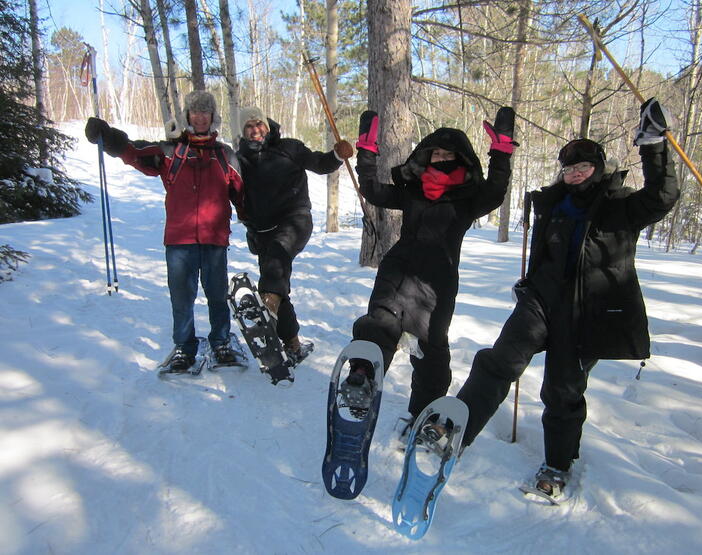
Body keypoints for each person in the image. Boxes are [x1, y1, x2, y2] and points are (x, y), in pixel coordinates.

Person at [455, 98, 679, 498]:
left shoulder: (620, 206)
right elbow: (545, 253)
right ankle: (454, 430)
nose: (575, 174)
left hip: (587, 314)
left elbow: (662, 196)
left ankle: (557, 464)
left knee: (562, 390)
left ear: (598, 169)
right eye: (569, 168)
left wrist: (653, 145)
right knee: (500, 361)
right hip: (540, 302)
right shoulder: (553, 204)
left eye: (583, 167)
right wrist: (528, 283)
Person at [341, 107, 516, 427]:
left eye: (448, 153)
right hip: (398, 268)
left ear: (462, 158)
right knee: (380, 322)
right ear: (425, 155)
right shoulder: (413, 189)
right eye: (435, 152)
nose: (440, 157)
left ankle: (425, 413)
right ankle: (362, 379)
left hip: (438, 279)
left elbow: (495, 191)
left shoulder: (469, 198)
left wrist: (501, 151)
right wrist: (366, 150)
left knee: (431, 350)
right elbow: (373, 190)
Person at [85, 90, 245, 371]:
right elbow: (134, 153)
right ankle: (184, 347)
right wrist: (108, 136)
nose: (200, 117)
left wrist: (263, 226)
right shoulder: (171, 152)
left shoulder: (225, 155)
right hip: (179, 239)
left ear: (212, 117)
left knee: (217, 294)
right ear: (187, 117)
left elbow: (244, 196)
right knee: (182, 296)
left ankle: (220, 341)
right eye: (194, 112)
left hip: (214, 239)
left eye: (205, 112)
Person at [235, 106, 353, 361]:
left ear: (267, 125)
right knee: (277, 284)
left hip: (294, 220)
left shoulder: (290, 147)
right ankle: (292, 343)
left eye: (258, 124)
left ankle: (267, 305)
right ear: (242, 133)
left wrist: (337, 154)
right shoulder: (240, 159)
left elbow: (321, 164)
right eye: (248, 127)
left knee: (276, 264)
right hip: (262, 231)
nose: (255, 130)